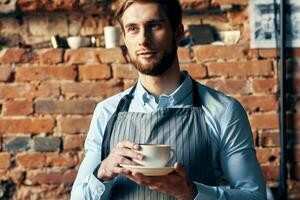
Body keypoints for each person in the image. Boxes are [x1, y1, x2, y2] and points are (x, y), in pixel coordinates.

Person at [71, 0, 267, 199]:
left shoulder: (224, 111)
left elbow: (254, 196)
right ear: (124, 38)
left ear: (178, 32)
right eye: (133, 29)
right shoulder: (107, 112)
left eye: (154, 26)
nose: (144, 40)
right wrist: (102, 172)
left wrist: (191, 192)